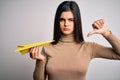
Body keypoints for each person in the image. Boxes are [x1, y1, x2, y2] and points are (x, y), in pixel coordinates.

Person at [29, 1, 120, 80]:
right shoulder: (47, 47)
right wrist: (40, 61)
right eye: (62, 20)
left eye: (70, 20)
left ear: (77, 21)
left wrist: (107, 34)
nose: (66, 24)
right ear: (57, 22)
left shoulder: (89, 47)